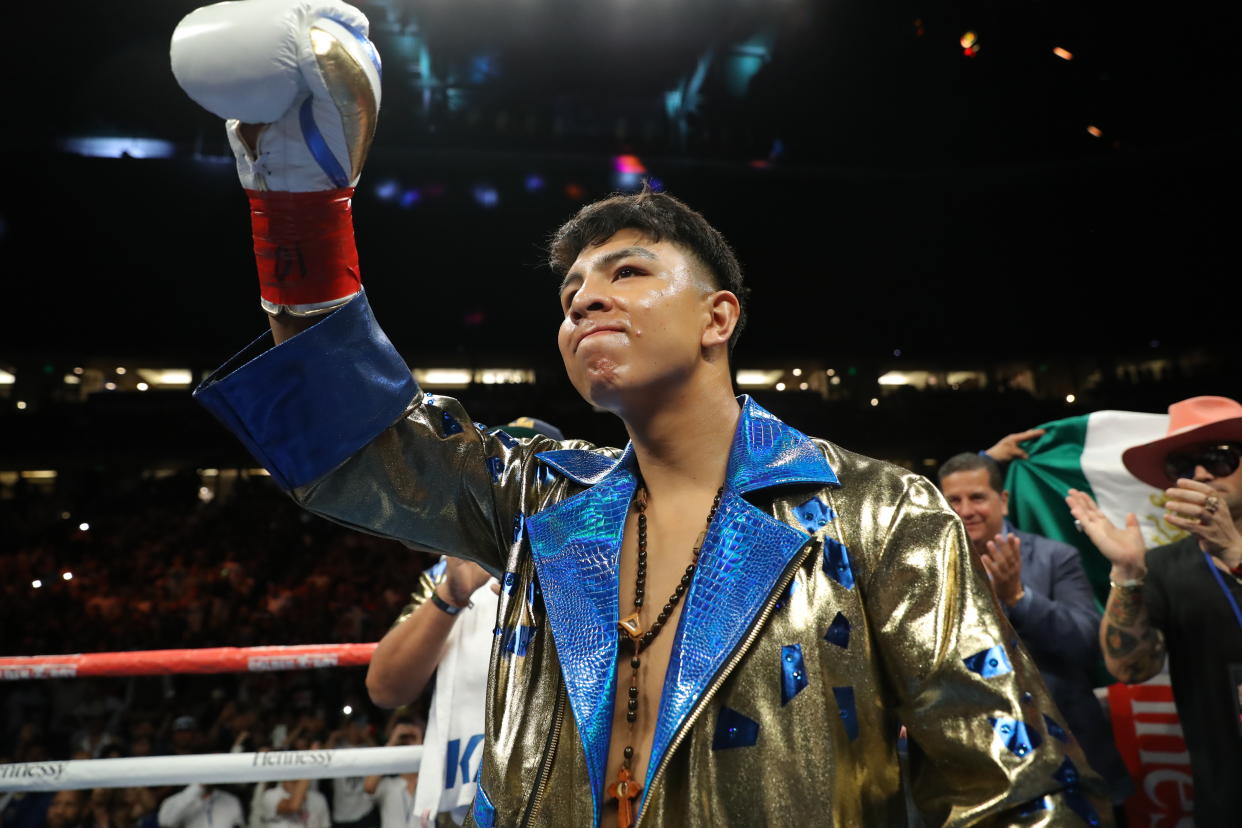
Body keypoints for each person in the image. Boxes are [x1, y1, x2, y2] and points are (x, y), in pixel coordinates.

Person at [173, 1, 1109, 824]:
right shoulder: (541, 499)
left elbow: (1014, 791)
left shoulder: (881, 513)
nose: (583, 301)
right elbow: (359, 436)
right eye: (571, 290)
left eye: (627, 272)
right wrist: (298, 208)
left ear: (719, 317)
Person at [367, 418, 564, 826]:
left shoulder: (589, 567)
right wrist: (451, 597)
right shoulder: (449, 573)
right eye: (504, 476)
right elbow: (385, 688)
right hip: (462, 806)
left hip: (554, 798)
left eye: (532, 473)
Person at [1067, 395, 1242, 826]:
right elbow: (1130, 668)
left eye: (1220, 459)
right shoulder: (1164, 566)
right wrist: (1127, 574)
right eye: (1182, 466)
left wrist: (1235, 552)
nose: (1200, 474)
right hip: (1226, 800)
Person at [938, 453, 1132, 805]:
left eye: (977, 497)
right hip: (976, 762)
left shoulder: (1056, 557)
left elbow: (1088, 643)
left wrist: (1017, 597)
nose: (965, 510)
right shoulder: (934, 566)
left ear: (1004, 501)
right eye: (954, 500)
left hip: (1067, 754)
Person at [363, 716, 426, 827]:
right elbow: (368, 787)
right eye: (403, 741)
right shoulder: (388, 785)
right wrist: (392, 742)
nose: (407, 743)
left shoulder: (428, 783)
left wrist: (419, 743)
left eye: (411, 739)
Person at [157, 784, 245, 828]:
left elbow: (239, 824)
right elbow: (166, 822)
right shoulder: (177, 800)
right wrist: (198, 787)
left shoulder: (230, 799)